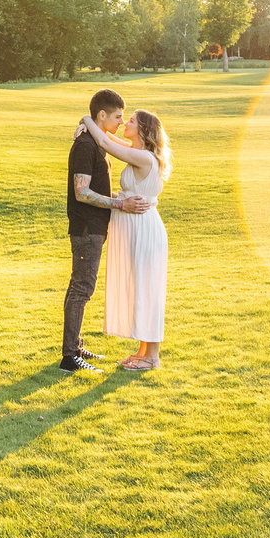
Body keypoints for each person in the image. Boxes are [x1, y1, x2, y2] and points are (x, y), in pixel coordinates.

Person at [64, 89, 153, 373]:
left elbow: (94, 188)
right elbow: (82, 192)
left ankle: (76, 346)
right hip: (87, 227)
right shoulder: (86, 145)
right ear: (101, 115)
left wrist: (117, 198)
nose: (120, 122)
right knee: (81, 288)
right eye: (117, 117)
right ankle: (69, 357)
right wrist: (120, 203)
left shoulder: (95, 143)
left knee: (81, 287)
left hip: (95, 226)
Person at [78, 106, 171, 372]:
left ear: (142, 130)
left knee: (147, 289)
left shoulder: (145, 158)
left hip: (144, 229)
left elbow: (106, 141)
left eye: (130, 121)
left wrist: (87, 119)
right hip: (136, 227)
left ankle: (152, 357)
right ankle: (143, 351)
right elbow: (110, 142)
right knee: (139, 288)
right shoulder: (139, 153)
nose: (125, 123)